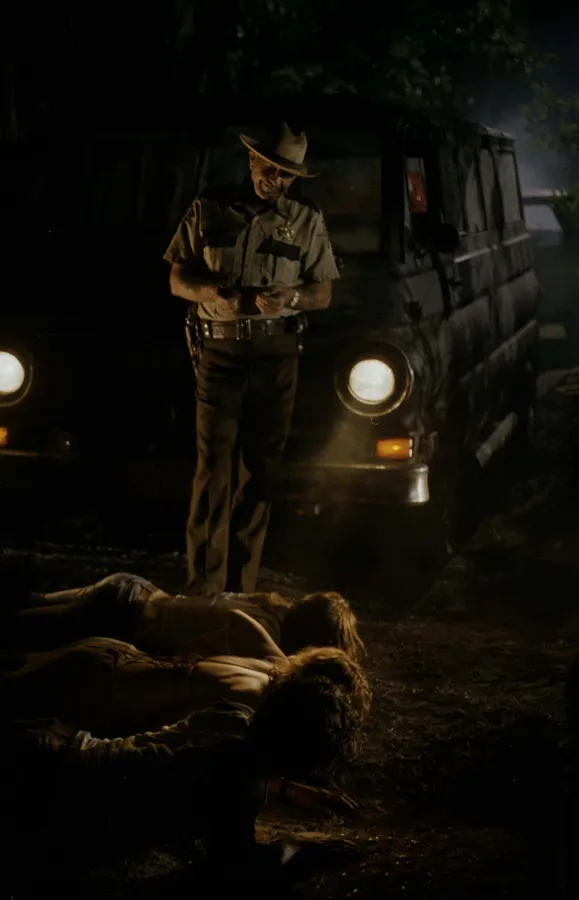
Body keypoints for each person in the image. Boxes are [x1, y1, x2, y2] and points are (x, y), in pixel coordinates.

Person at [163, 120, 340, 594]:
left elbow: (323, 292)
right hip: (219, 350)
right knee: (213, 469)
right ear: (251, 159)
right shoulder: (210, 208)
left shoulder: (305, 219)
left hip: (276, 353)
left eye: (287, 175)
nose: (276, 180)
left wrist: (291, 298)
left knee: (260, 470)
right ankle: (203, 591)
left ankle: (240, 593)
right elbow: (177, 280)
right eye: (270, 168)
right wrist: (212, 292)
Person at [4, 661, 365, 886]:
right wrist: (299, 847)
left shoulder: (233, 715)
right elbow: (235, 867)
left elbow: (220, 759)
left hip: (54, 743)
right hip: (46, 792)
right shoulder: (242, 785)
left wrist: (287, 789)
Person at [7, 571, 365, 661]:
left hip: (132, 588)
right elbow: (191, 654)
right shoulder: (262, 634)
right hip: (124, 616)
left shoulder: (269, 604)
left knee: (23, 609)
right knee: (17, 630)